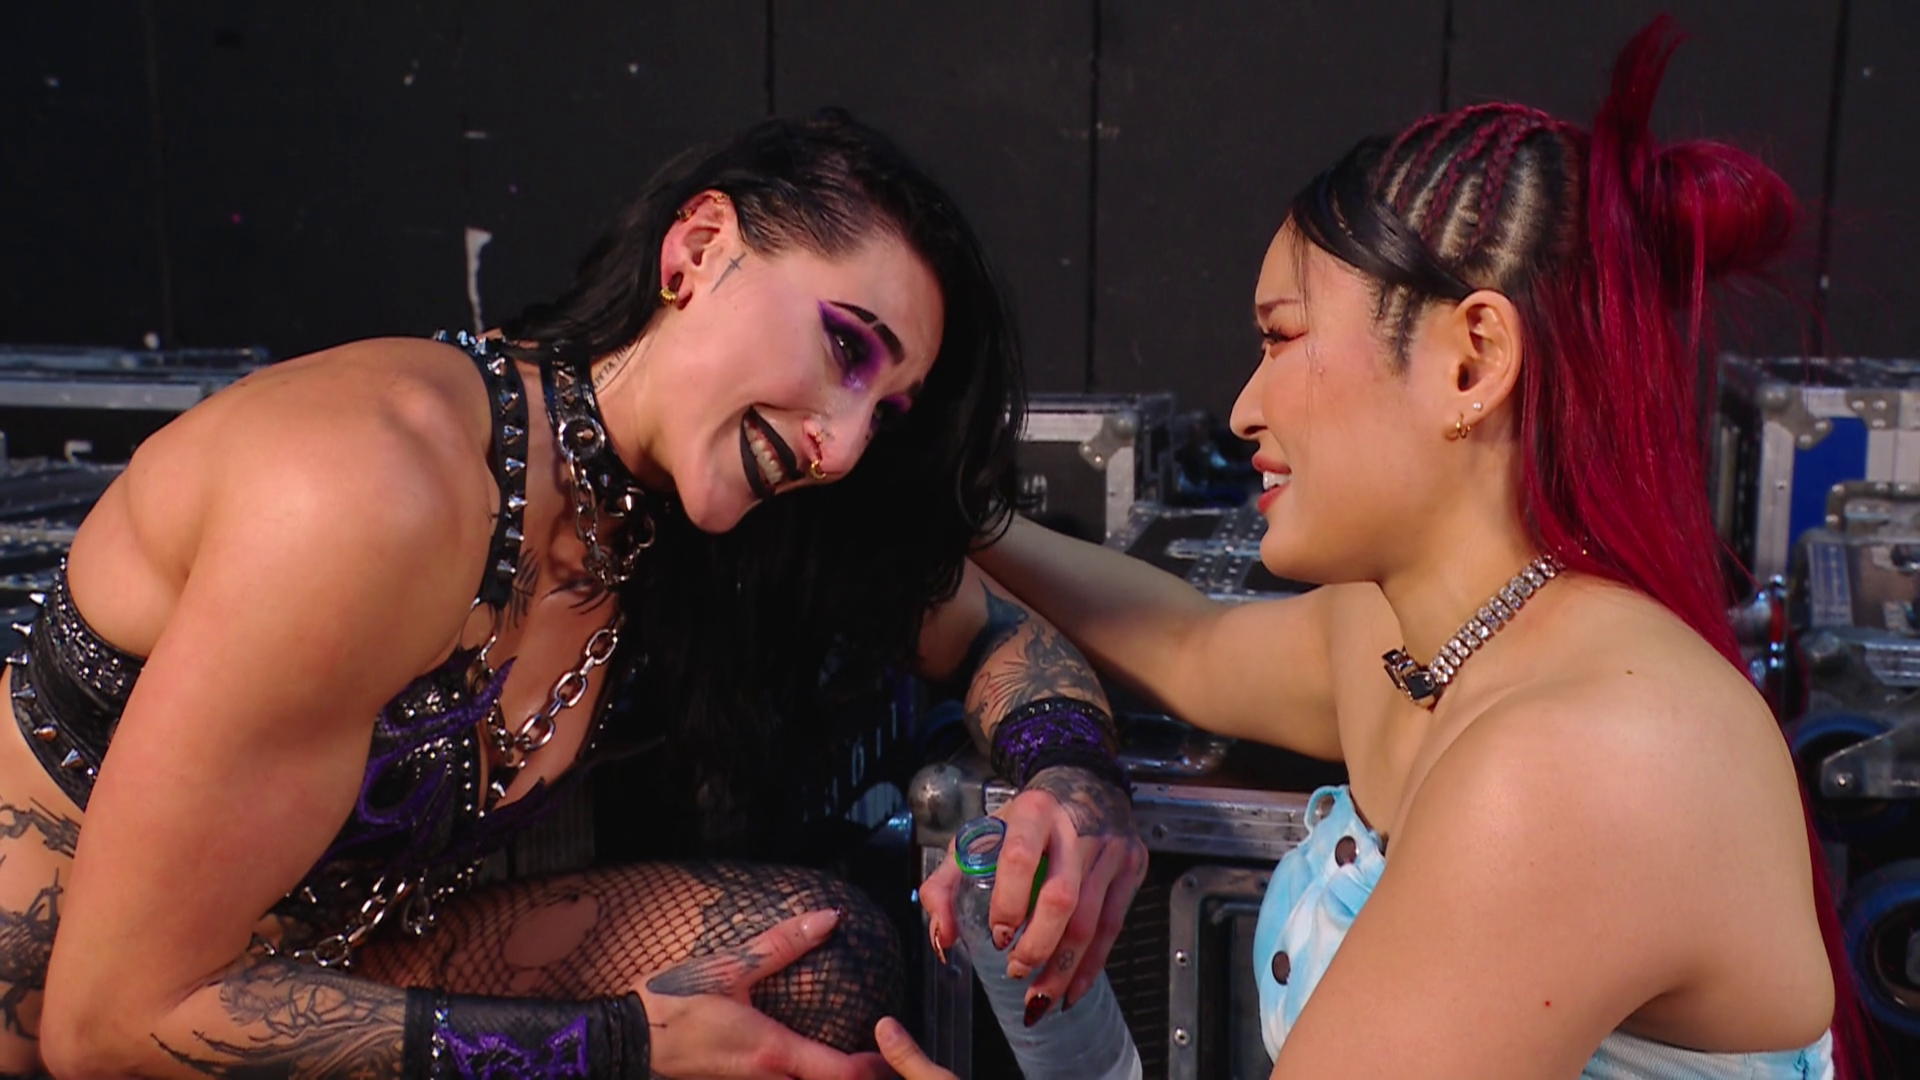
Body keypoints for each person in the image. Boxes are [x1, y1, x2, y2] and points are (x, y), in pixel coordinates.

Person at [0, 109, 1139, 1080]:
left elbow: (989, 628)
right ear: (699, 250)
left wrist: (1073, 785)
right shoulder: (375, 485)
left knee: (815, 966)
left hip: (325, 967)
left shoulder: (675, 511)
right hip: (89, 1024)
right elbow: (102, 1025)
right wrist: (615, 1047)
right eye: (847, 348)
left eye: (883, 414)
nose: (841, 446)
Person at [908, 18, 1860, 1080]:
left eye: (1281, 337)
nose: (1244, 407)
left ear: (1472, 363)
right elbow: (1189, 645)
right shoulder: (1412, 638)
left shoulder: (1573, 764)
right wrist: (956, 517)